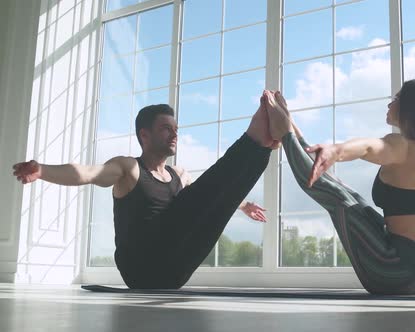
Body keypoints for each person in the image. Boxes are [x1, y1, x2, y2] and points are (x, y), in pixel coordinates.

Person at [12, 94, 280, 289]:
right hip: (141, 266)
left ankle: (262, 147)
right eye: (166, 129)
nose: (174, 134)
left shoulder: (178, 175)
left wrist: (243, 205)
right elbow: (87, 173)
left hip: (174, 271)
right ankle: (255, 140)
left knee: (210, 206)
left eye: (176, 130)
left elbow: (209, 198)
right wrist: (42, 170)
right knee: (198, 198)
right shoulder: (129, 168)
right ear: (145, 135)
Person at [263, 80, 415, 295]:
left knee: (339, 198)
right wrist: (292, 125)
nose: (389, 104)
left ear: (414, 108)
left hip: (395, 270)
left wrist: (337, 150)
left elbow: (370, 147)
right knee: (348, 194)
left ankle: (284, 134)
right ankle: (286, 128)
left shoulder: (404, 146)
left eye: (397, 99)